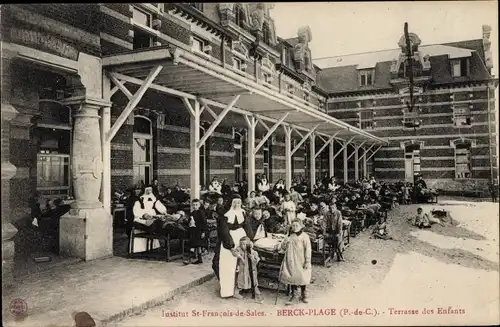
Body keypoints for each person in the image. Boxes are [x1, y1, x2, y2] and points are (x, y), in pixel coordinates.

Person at [213, 194, 252, 298]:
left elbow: (247, 227)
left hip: (241, 239)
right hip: (228, 241)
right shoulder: (225, 215)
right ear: (230, 203)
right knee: (227, 265)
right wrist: (230, 246)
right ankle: (227, 290)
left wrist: (250, 239)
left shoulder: (243, 213)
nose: (236, 204)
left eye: (238, 202)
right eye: (234, 202)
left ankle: (239, 288)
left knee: (241, 264)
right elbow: (224, 231)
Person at [280, 219, 312, 305]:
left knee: (302, 276)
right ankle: (294, 294)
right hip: (291, 259)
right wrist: (285, 243)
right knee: (293, 276)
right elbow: (283, 247)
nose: (294, 227)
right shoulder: (290, 236)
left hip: (301, 259)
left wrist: (307, 261)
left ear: (301, 226)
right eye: (293, 226)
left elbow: (308, 250)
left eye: (296, 225)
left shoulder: (305, 236)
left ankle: (303, 293)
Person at [234, 236, 263, 303]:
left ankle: (258, 296)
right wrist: (241, 257)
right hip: (242, 271)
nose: (242, 246)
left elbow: (256, 261)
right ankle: (236, 293)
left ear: (249, 245)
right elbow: (235, 252)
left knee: (253, 283)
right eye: (241, 244)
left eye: (244, 244)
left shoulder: (253, 252)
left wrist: (252, 258)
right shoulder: (239, 249)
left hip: (251, 271)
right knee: (240, 281)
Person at [183, 199, 207, 265]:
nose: (195, 206)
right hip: (193, 231)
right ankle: (199, 259)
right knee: (197, 245)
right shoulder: (192, 213)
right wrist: (189, 222)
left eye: (196, 205)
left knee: (193, 245)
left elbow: (204, 222)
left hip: (199, 231)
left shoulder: (201, 212)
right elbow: (189, 221)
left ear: (199, 205)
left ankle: (189, 259)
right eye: (193, 205)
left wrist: (203, 231)